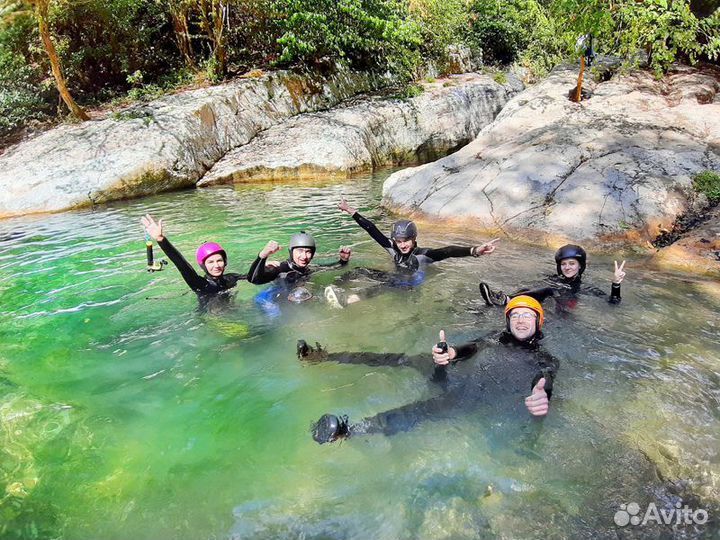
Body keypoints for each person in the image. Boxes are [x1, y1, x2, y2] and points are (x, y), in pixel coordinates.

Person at [300, 295, 559, 444]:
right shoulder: (497, 336)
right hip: (454, 373)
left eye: (527, 316)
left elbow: (545, 375)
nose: (521, 320)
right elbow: (475, 345)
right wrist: (453, 352)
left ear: (538, 322)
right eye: (515, 315)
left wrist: (542, 391)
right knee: (402, 358)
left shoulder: (544, 357)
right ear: (507, 321)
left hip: (470, 395)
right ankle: (323, 356)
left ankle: (349, 431)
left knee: (422, 410)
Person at [324, 198, 499, 307]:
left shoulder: (423, 254)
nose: (402, 245)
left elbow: (448, 251)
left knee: (383, 286)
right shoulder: (393, 249)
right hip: (395, 279)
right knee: (359, 270)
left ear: (414, 238)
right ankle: (336, 287)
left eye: (406, 240)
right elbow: (372, 230)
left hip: (409, 286)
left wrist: (475, 250)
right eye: (399, 241)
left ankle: (347, 301)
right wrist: (350, 211)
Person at [141, 214, 249, 304]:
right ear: (203, 265)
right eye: (210, 262)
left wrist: (265, 265)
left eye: (219, 260)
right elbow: (182, 265)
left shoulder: (231, 278)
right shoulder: (200, 284)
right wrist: (161, 239)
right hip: (212, 319)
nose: (216, 265)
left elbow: (252, 276)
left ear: (225, 262)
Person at [479, 244, 626, 308]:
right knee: (529, 286)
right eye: (564, 264)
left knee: (548, 289)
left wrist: (616, 284)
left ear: (580, 265)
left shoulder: (583, 287)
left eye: (571, 263)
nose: (567, 267)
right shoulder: (553, 278)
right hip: (547, 303)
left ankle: (507, 300)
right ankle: (502, 299)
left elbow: (613, 302)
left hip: (564, 311)